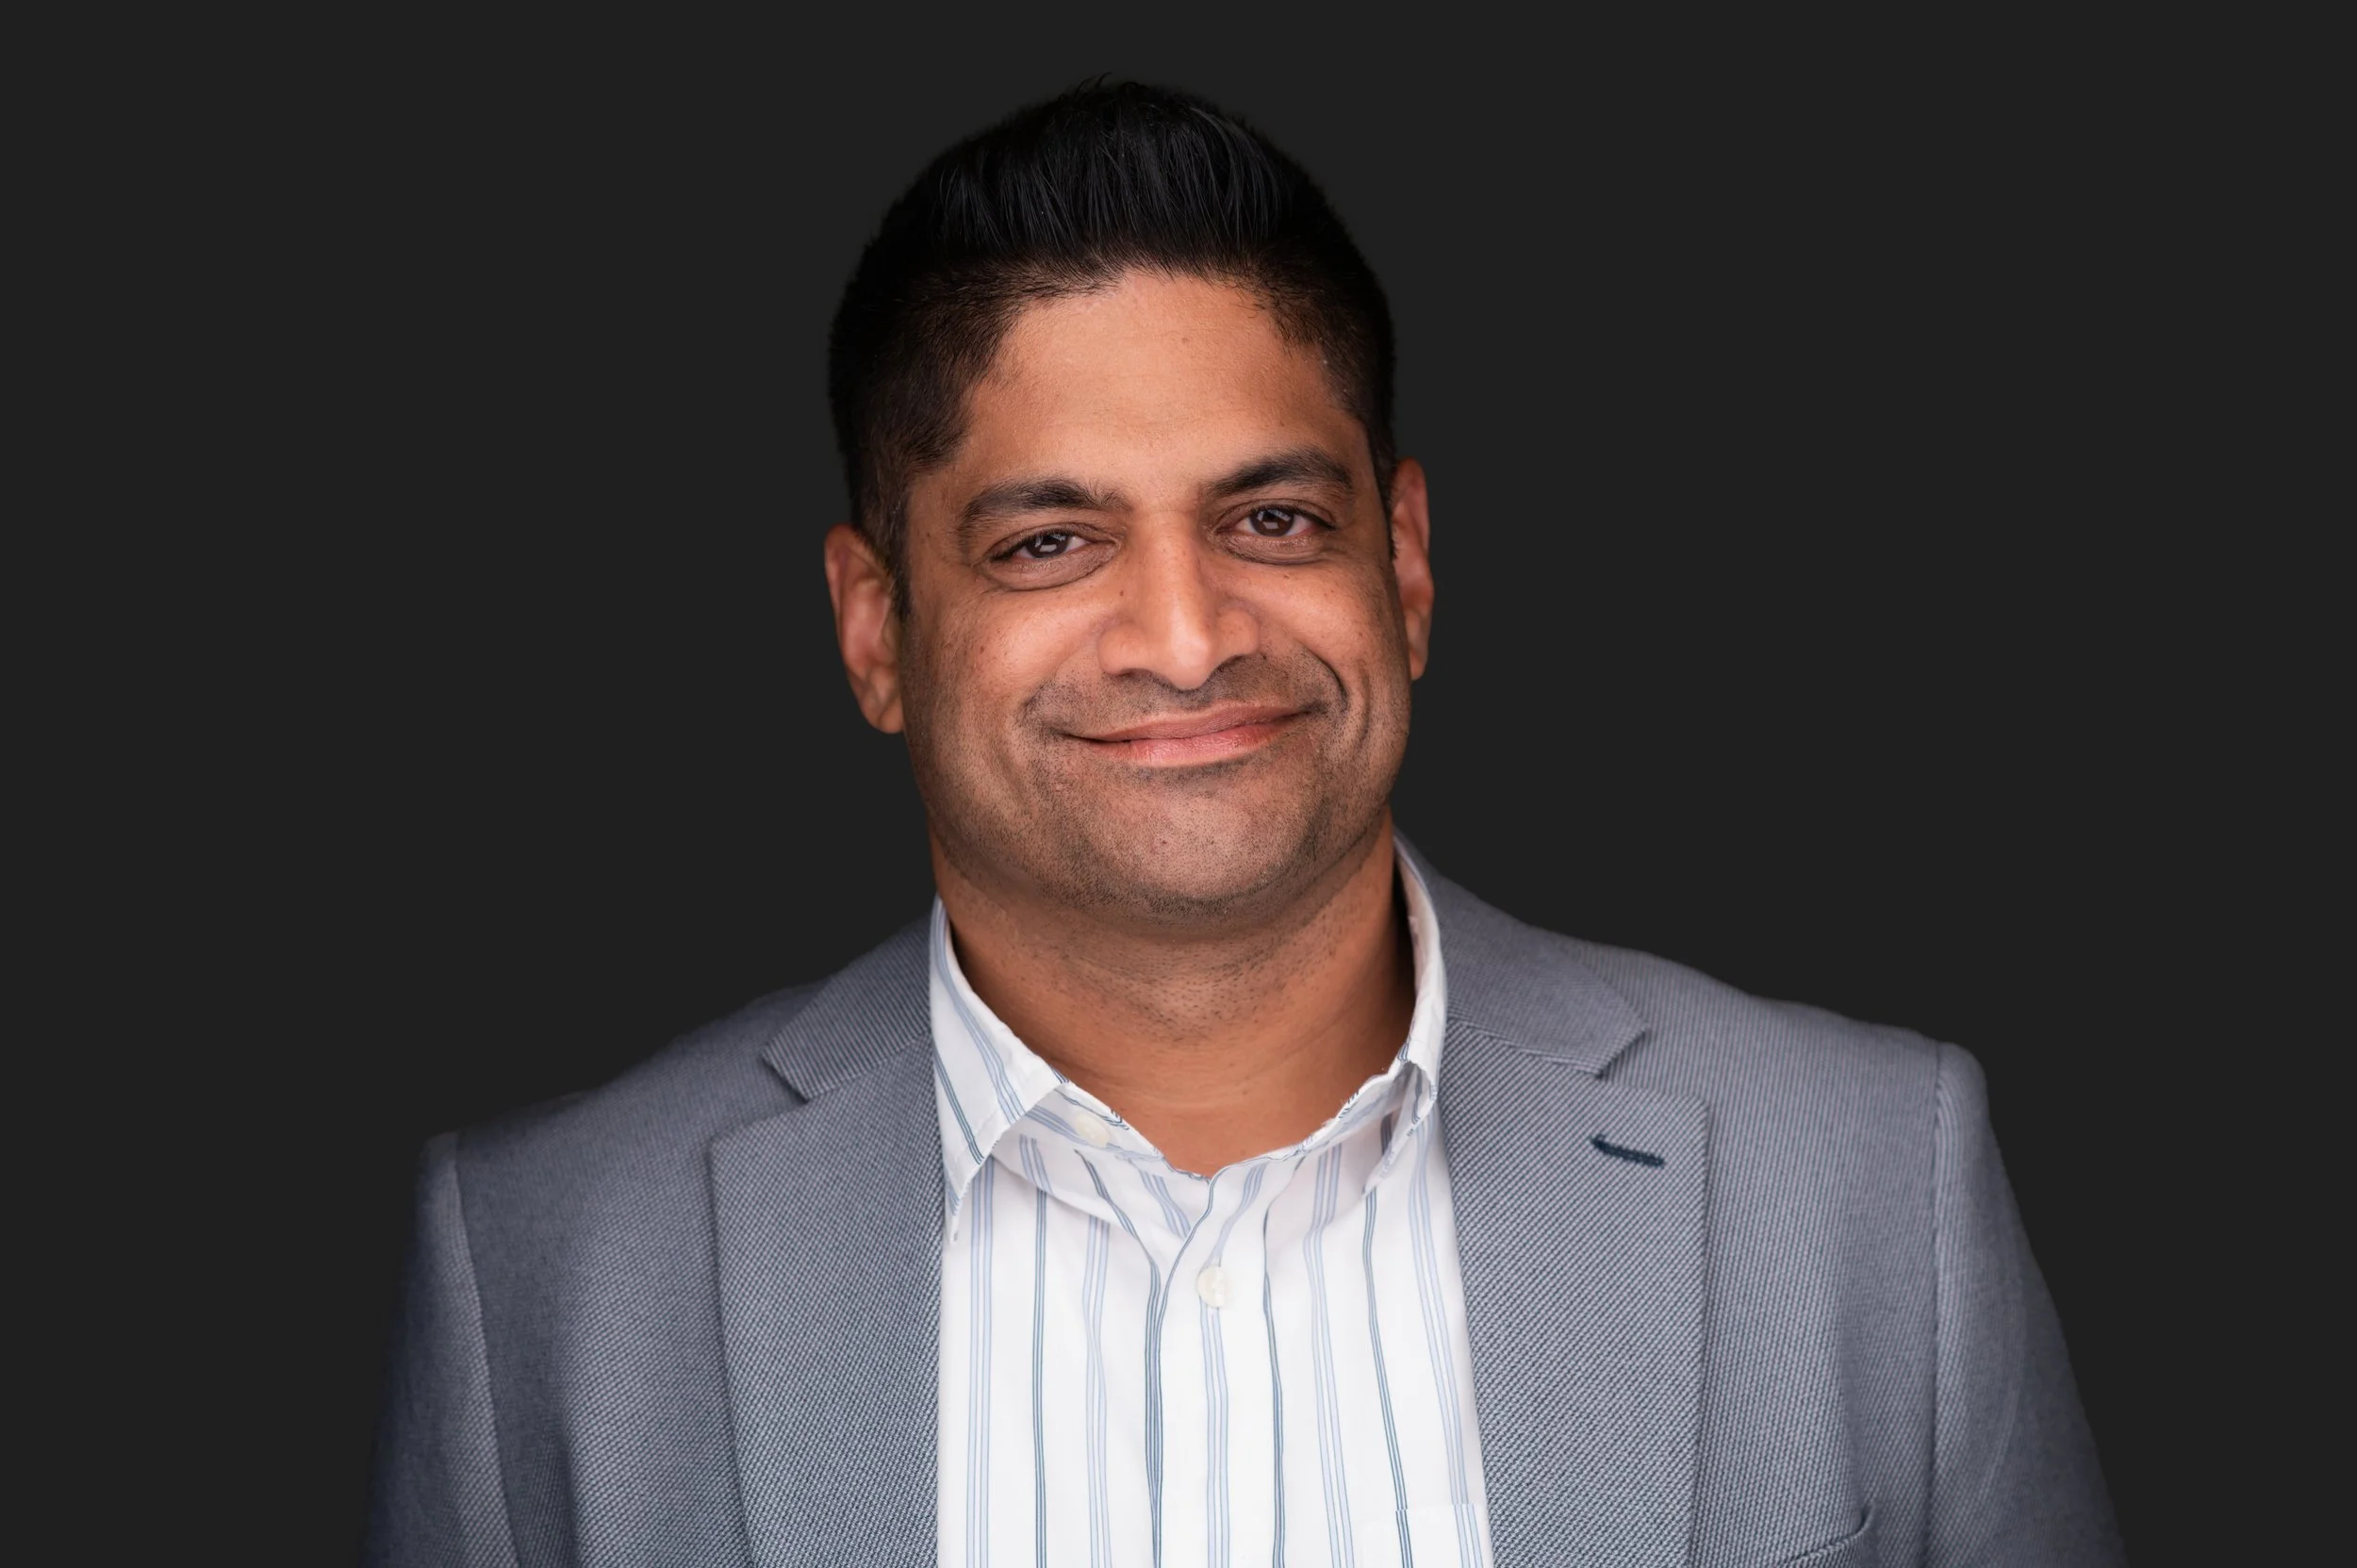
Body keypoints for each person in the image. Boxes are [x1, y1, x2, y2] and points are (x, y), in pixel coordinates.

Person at [366, 82, 2120, 1568]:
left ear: (1406, 566)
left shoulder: (1878, 1183)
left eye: (1272, 517)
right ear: (873, 626)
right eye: (1049, 541)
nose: (1190, 634)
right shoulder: (550, 1267)